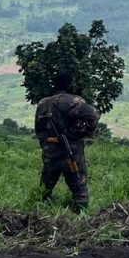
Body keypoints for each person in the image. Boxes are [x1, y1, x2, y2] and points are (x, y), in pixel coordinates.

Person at [35, 69, 100, 212]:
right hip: (71, 151)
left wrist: (46, 144)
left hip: (50, 151)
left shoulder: (43, 103)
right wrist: (82, 133)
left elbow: (39, 129)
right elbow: (94, 114)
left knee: (44, 188)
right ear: (69, 84)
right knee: (79, 188)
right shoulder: (74, 101)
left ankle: (40, 216)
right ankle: (80, 220)